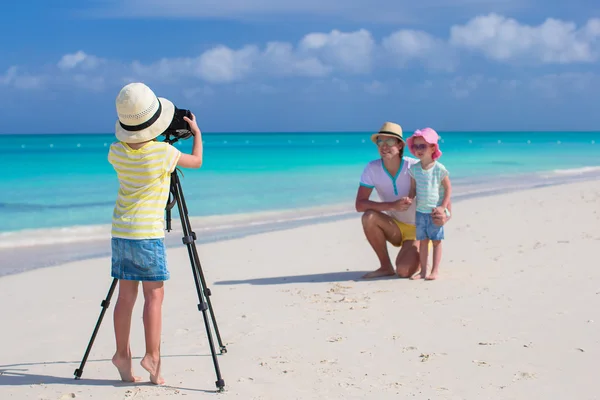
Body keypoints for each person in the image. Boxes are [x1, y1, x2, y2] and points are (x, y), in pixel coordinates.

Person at [107, 82, 203, 385]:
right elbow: (197, 162)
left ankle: (122, 355)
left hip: (121, 230)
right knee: (154, 295)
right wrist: (197, 134)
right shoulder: (165, 153)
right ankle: (152, 356)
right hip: (147, 234)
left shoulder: (115, 152)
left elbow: (137, 150)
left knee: (126, 296)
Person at [355, 122, 451, 279]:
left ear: (400, 145)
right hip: (395, 227)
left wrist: (444, 216)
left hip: (418, 229)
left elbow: (443, 195)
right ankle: (385, 266)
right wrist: (392, 206)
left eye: (390, 141)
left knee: (404, 272)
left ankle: (419, 258)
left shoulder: (415, 166)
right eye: (380, 141)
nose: (384, 146)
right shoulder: (372, 168)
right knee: (369, 217)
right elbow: (360, 205)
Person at [406, 128, 451, 280]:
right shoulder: (414, 169)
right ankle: (423, 271)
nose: (418, 150)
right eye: (416, 146)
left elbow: (448, 188)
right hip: (420, 211)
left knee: (436, 241)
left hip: (434, 212)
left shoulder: (439, 169)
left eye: (422, 146)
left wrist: (443, 208)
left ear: (433, 148)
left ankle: (435, 270)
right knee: (423, 242)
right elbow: (413, 189)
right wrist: (409, 198)